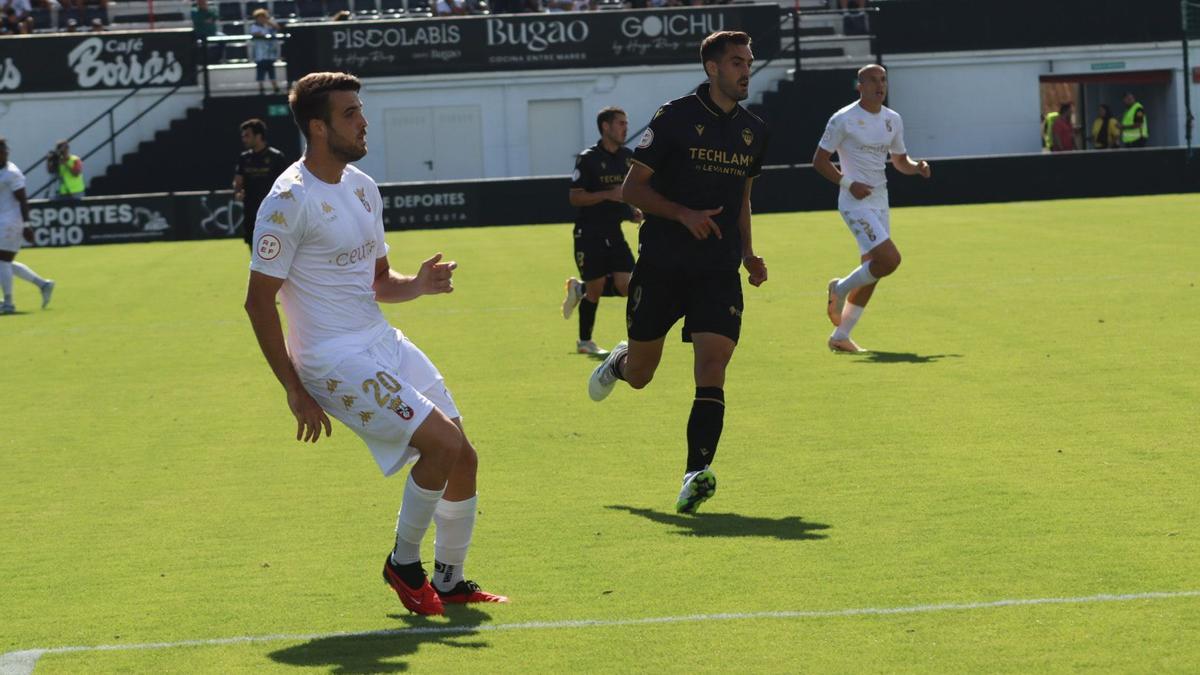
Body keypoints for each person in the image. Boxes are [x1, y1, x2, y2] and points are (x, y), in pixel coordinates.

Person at [244, 72, 506, 616]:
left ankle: (451, 580)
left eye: (360, 110)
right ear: (317, 127)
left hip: (380, 341)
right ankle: (403, 564)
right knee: (442, 446)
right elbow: (257, 303)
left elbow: (379, 282)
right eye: (350, 114)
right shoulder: (287, 200)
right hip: (331, 358)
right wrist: (294, 390)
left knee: (464, 458)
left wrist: (421, 285)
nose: (364, 122)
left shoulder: (362, 185)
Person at [587, 31, 770, 514]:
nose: (745, 70)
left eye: (748, 61)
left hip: (718, 268)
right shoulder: (675, 117)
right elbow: (632, 190)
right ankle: (618, 363)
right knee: (643, 374)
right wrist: (683, 214)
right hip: (664, 264)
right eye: (735, 62)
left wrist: (749, 254)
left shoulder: (754, 130)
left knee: (713, 368)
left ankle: (695, 473)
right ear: (712, 68)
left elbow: (743, 201)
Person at [814, 64, 930, 353]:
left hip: (880, 199)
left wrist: (917, 168)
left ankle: (840, 336)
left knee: (875, 269)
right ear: (860, 86)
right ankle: (838, 289)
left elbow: (900, 161)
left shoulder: (893, 119)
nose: (880, 85)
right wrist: (848, 183)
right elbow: (819, 160)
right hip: (855, 202)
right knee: (890, 260)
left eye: (883, 80)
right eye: (873, 80)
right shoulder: (844, 119)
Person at [561, 106, 642, 355]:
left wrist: (633, 210)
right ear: (605, 127)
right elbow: (575, 197)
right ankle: (585, 342)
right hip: (589, 232)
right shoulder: (588, 159)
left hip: (614, 232)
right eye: (620, 123)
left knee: (627, 285)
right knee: (596, 288)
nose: (625, 128)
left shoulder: (628, 158)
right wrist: (609, 194)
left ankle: (580, 289)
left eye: (626, 123)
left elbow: (628, 194)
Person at [0, 138, 55, 315]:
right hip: (2, 221)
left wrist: (27, 225)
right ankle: (43, 284)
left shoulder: (12, 173)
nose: (5, 153)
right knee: (4, 262)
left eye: (5, 150)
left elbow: (23, 200)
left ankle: (8, 303)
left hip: (10, 222)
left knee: (3, 261)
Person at [233, 118, 289, 249]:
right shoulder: (244, 158)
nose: (244, 139)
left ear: (258, 136)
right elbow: (238, 180)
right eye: (243, 136)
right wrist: (237, 192)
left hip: (273, 212)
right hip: (251, 212)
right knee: (254, 248)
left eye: (247, 135)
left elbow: (287, 184)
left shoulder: (276, 157)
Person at [248, 8, 283, 94]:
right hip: (260, 55)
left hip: (270, 55)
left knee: (271, 72)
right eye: (260, 18)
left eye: (263, 17)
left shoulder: (269, 26)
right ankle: (261, 89)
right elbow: (256, 34)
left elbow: (278, 28)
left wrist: (269, 22)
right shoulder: (254, 27)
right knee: (260, 73)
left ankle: (275, 88)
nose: (262, 19)